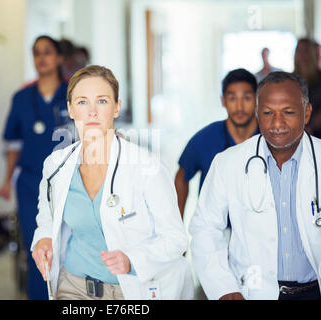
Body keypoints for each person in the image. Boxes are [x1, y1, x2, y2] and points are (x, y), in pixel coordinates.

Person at [31, 65, 193, 300]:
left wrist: (132, 260)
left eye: (103, 101)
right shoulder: (56, 165)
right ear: (70, 109)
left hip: (132, 290)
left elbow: (176, 239)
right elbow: (47, 217)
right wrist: (43, 239)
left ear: (117, 107)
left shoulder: (147, 167)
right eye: (83, 102)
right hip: (73, 286)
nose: (92, 112)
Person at [189, 71, 321, 300]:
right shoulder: (228, 162)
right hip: (251, 292)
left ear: (306, 112)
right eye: (268, 113)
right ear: (258, 113)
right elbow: (205, 228)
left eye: (288, 112)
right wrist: (224, 289)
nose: (277, 123)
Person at [0, 35, 71, 300]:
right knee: (37, 248)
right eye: (36, 52)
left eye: (48, 52)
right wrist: (7, 181)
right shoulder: (21, 98)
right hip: (30, 185)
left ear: (60, 58)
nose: (41, 58)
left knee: (67, 248)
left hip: (69, 183)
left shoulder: (73, 94)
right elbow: (14, 143)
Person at [174, 68, 259, 217]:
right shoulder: (205, 138)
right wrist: (177, 224)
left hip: (259, 230)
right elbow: (181, 177)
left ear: (257, 100)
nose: (239, 107)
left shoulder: (269, 138)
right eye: (232, 98)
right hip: (215, 230)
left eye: (246, 98)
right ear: (223, 101)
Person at [294, 38, 321, 138]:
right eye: (298, 49)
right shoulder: (290, 79)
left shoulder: (319, 78)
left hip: (317, 132)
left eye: (305, 50)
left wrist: (311, 126)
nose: (301, 53)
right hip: (295, 131)